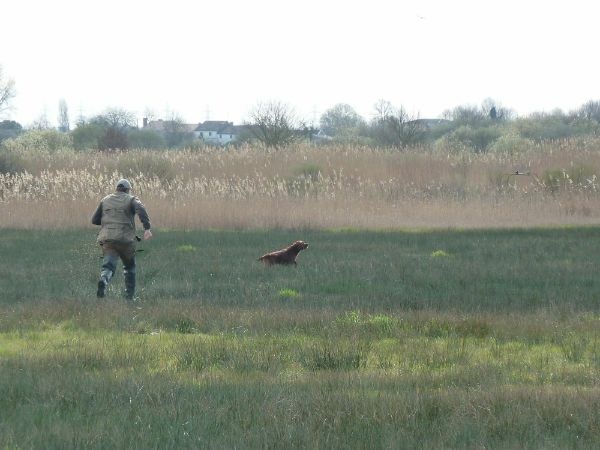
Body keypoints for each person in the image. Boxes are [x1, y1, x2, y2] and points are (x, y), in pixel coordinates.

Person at [91, 179, 152, 302]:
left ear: (117, 189)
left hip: (108, 239)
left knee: (108, 266)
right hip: (125, 240)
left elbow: (94, 220)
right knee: (129, 268)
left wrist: (108, 222)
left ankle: (103, 280)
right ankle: (129, 297)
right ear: (127, 190)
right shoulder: (131, 199)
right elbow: (141, 209)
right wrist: (147, 228)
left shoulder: (105, 200)